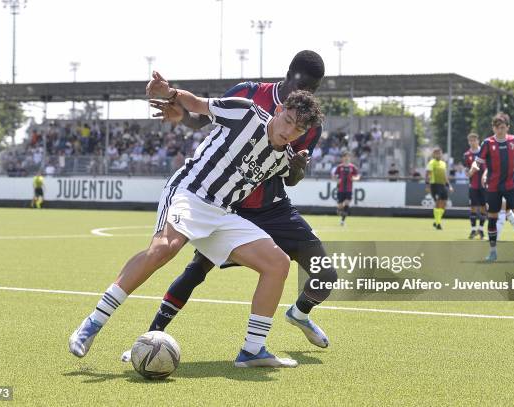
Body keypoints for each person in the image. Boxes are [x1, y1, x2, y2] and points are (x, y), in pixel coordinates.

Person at [69, 70, 324, 368]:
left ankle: (253, 350)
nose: (288, 131)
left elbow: (291, 178)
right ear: (278, 110)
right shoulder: (245, 113)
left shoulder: (282, 156)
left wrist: (297, 168)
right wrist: (169, 92)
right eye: (288, 121)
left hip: (222, 213)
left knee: (277, 263)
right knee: (164, 248)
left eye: (296, 130)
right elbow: (199, 105)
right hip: (190, 192)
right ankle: (93, 323)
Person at [139, 51, 337, 351]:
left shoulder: (309, 124)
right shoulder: (249, 93)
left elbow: (289, 177)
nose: (306, 93)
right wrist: (180, 116)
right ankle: (149, 337)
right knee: (195, 272)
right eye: (303, 85)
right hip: (231, 206)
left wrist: (297, 168)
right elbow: (200, 121)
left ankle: (298, 314)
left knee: (326, 274)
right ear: (288, 75)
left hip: (274, 208)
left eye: (313, 88)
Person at [470, 112, 514, 261]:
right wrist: (474, 167)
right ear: (493, 128)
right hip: (493, 187)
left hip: (510, 185)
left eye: (502, 127)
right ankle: (492, 251)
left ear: (507, 127)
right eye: (497, 127)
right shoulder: (487, 143)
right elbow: (478, 161)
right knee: (493, 218)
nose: (500, 130)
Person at [463, 133, 486, 239]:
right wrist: (468, 173)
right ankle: (473, 230)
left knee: (483, 208)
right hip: (473, 185)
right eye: (470, 141)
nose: (472, 142)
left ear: (478, 140)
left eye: (474, 140)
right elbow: (466, 169)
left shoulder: (484, 152)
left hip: (484, 185)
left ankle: (481, 230)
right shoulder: (467, 155)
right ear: (468, 142)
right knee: (473, 207)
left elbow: (489, 166)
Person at [425, 147, 452, 230]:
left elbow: (445, 176)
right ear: (433, 154)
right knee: (438, 203)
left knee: (443, 204)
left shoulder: (443, 163)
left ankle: (437, 221)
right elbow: (428, 174)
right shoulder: (431, 163)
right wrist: (427, 185)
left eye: (439, 153)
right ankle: (438, 224)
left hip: (443, 185)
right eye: (436, 153)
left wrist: (449, 185)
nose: (438, 154)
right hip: (434, 185)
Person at [331, 151, 360, 226]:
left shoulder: (352, 167)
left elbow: (357, 176)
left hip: (348, 189)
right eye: (345, 156)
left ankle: (342, 221)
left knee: (347, 203)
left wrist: (355, 179)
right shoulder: (339, 167)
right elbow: (334, 176)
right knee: (340, 206)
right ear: (342, 158)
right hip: (340, 189)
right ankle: (339, 210)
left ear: (349, 158)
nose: (346, 158)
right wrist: (337, 180)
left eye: (348, 156)